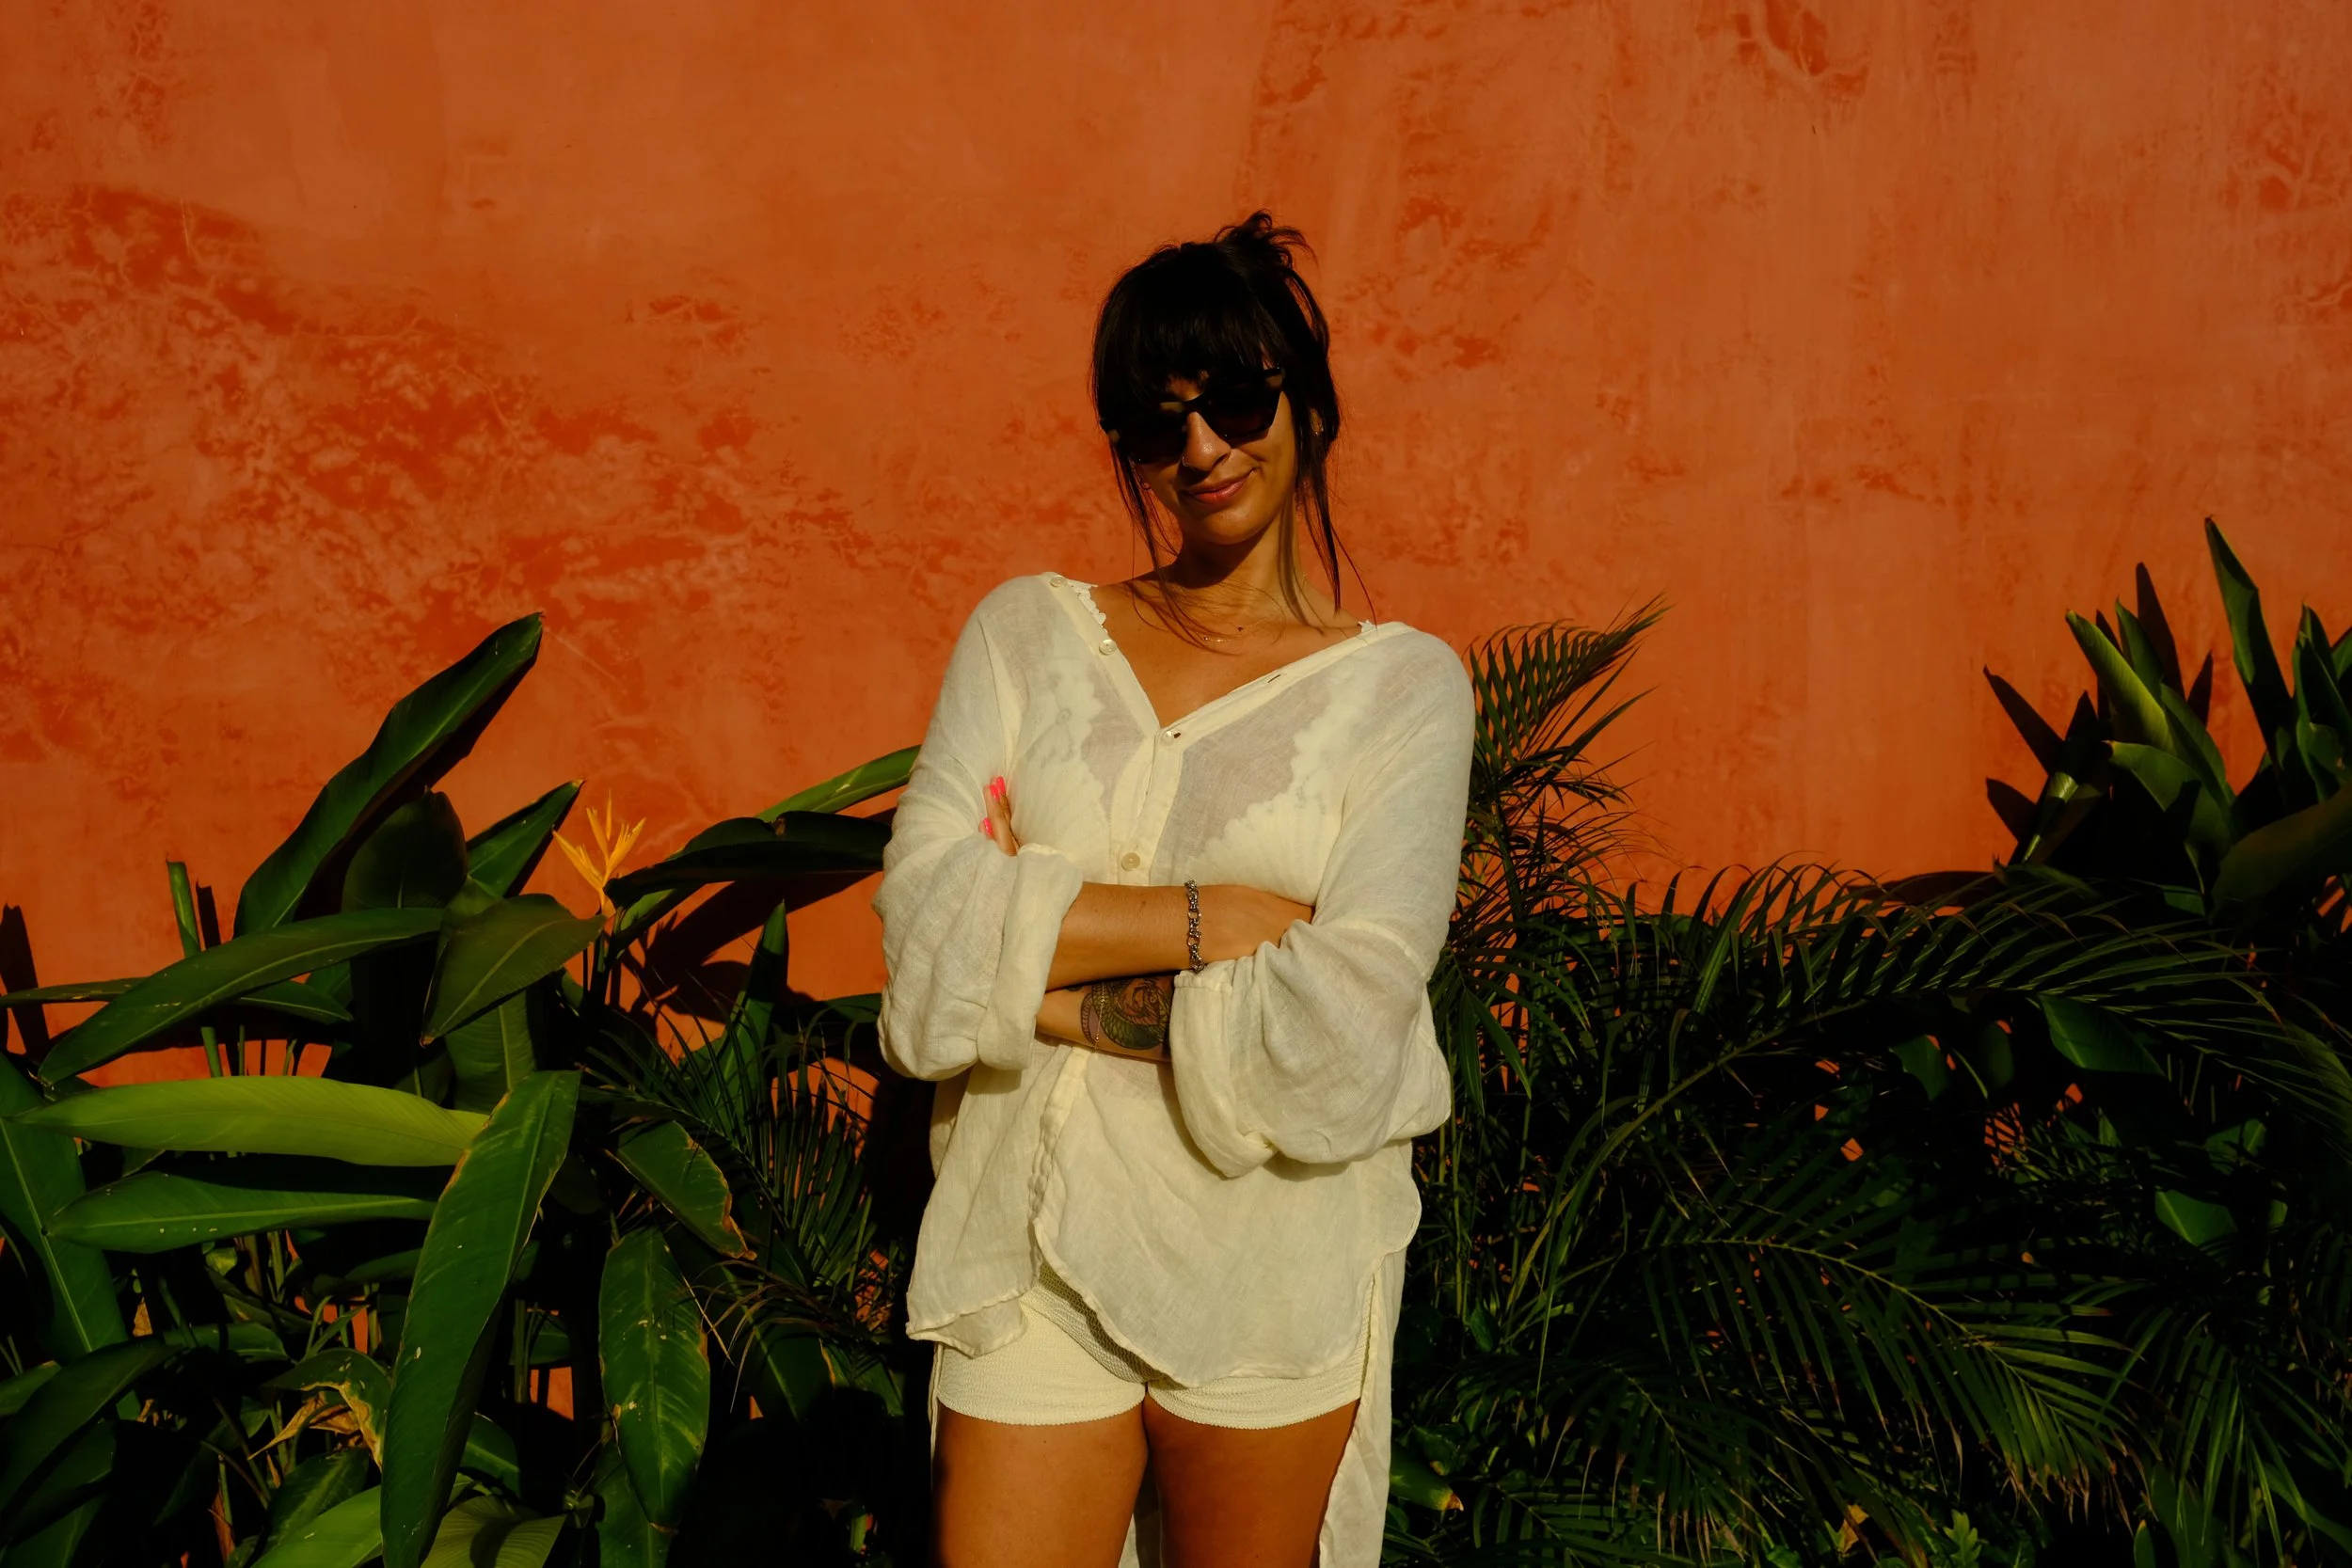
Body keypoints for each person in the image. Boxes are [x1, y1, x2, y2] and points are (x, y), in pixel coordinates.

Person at [872, 213, 1474, 1568]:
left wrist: (1024, 975)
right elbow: (922, 935)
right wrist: (1213, 924)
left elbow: (1348, 1023)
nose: (1201, 450)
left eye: (1238, 402)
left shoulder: (1402, 691)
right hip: (1022, 1245)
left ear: (1308, 404)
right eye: (1158, 425)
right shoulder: (1029, 635)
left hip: (1270, 1254)